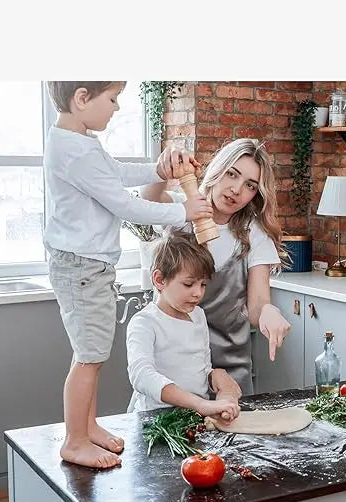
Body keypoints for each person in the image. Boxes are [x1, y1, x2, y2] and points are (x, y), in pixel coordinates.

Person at [44, 81, 211, 469]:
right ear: (82, 98)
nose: (117, 108)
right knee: (89, 357)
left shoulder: (78, 142)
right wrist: (184, 211)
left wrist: (156, 169)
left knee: (93, 355)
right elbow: (124, 206)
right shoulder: (75, 151)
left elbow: (115, 172)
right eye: (113, 99)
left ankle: (87, 427)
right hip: (83, 266)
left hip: (88, 265)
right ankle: (74, 441)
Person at [141, 138, 291, 396]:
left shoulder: (254, 234)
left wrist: (268, 312)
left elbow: (257, 305)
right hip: (174, 366)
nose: (236, 189)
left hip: (231, 368)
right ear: (218, 169)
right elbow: (148, 197)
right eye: (232, 174)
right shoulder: (181, 212)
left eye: (250, 186)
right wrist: (164, 167)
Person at [126, 230, 242, 420]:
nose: (198, 293)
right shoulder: (145, 323)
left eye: (203, 284)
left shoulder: (198, 315)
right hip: (157, 420)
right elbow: (142, 376)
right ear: (159, 280)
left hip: (193, 418)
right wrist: (201, 404)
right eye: (189, 284)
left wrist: (214, 376)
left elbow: (200, 367)